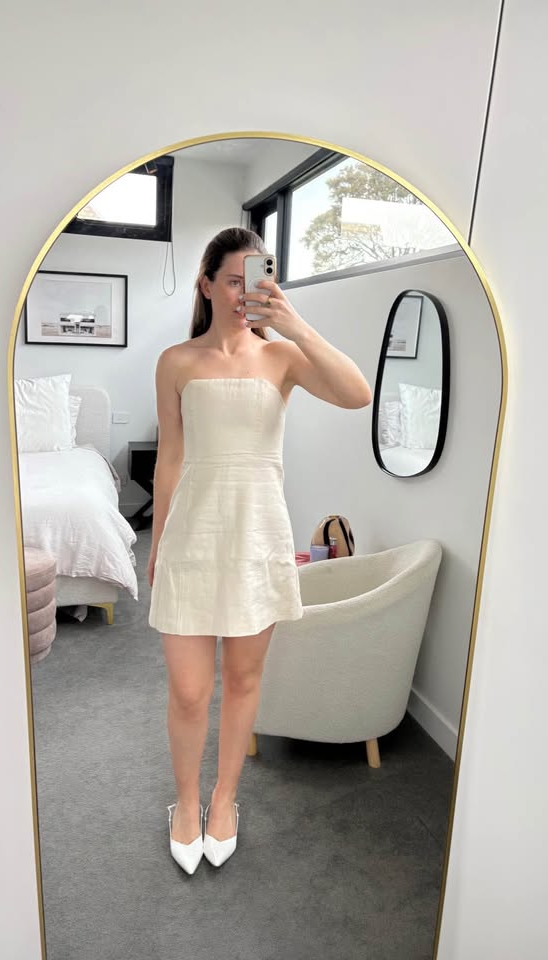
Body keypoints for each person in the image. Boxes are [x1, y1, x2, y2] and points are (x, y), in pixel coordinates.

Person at [147, 226, 372, 873]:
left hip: (256, 536)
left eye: (259, 279)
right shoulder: (176, 362)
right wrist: (157, 544)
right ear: (207, 285)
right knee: (190, 692)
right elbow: (170, 459)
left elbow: (357, 393)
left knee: (244, 679)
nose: (246, 292)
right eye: (234, 280)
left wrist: (294, 325)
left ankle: (224, 800)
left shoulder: (282, 358)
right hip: (192, 537)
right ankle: (186, 802)